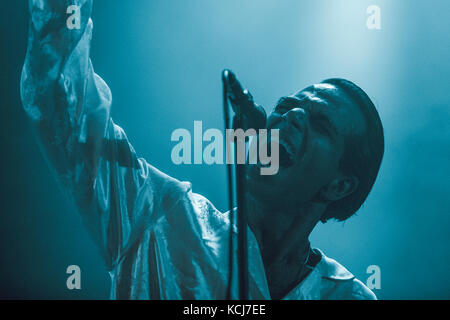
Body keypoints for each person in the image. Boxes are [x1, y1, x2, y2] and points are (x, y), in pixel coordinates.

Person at [21, 0, 384, 300]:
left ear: (340, 185)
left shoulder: (348, 296)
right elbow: (59, 99)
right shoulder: (158, 216)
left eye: (321, 125)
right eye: (286, 106)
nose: (290, 118)